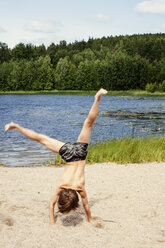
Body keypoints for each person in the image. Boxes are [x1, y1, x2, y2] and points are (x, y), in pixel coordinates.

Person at [5, 88, 107, 225]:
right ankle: (16, 127)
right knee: (42, 139)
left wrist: (90, 218)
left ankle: (98, 98)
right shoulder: (62, 185)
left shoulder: (80, 188)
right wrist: (53, 222)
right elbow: (51, 205)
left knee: (88, 123)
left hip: (79, 153)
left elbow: (87, 207)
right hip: (70, 155)